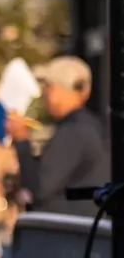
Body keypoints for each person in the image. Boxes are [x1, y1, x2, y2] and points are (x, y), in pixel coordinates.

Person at [8, 56, 107, 217]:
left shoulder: (75, 130)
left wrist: (21, 140)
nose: (44, 95)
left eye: (48, 88)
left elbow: (40, 187)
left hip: (69, 233)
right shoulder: (91, 125)